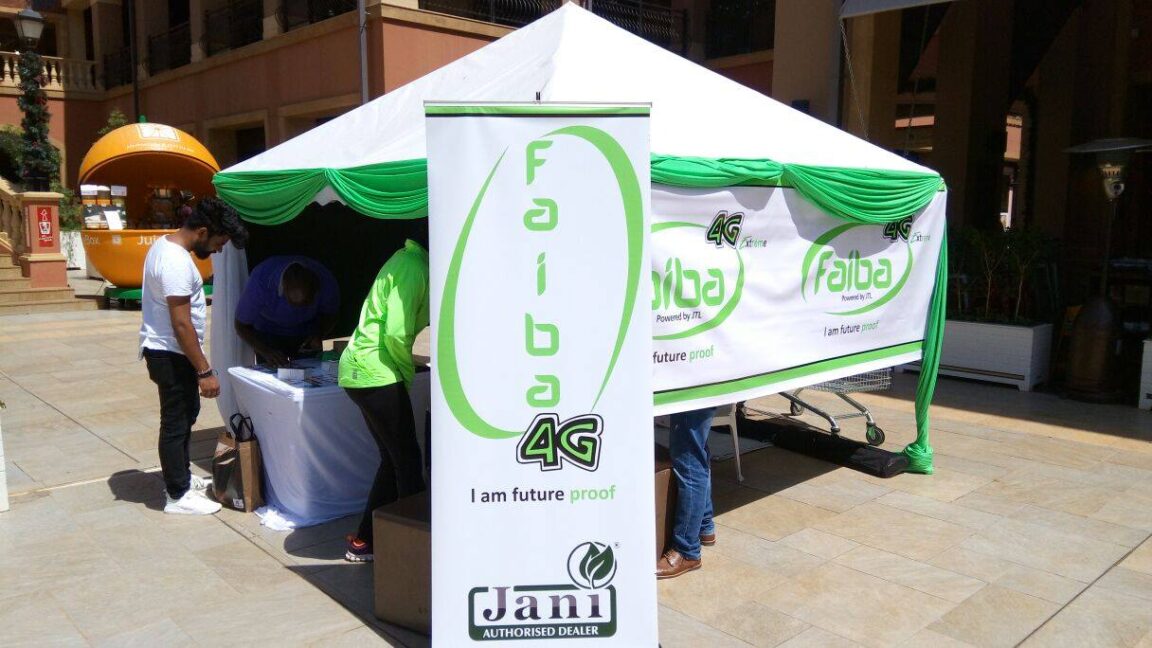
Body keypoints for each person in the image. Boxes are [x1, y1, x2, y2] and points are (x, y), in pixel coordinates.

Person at [140, 197, 248, 516]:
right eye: (218, 243)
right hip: (171, 354)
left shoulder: (166, 246)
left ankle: (182, 478)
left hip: (169, 352)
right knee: (176, 422)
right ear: (202, 232)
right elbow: (182, 323)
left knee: (185, 415)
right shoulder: (175, 262)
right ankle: (177, 495)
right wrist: (204, 371)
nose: (217, 250)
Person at [339, 237, 429, 563]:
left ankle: (365, 541)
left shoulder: (406, 259)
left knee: (394, 459)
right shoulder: (415, 267)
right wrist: (405, 374)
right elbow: (396, 332)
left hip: (363, 369)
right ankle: (415, 550)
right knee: (407, 462)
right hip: (376, 372)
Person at [234, 256, 339, 366]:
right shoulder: (261, 281)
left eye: (306, 304)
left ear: (316, 291)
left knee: (311, 371)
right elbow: (241, 326)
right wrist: (266, 352)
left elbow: (332, 314)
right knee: (271, 372)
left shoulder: (326, 282)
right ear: (282, 291)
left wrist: (319, 333)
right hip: (267, 333)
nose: (297, 312)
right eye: (293, 304)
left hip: (306, 334)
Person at [657, 406, 719, 578]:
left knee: (689, 460)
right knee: (696, 451)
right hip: (703, 393)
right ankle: (704, 526)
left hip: (692, 393)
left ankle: (686, 551)